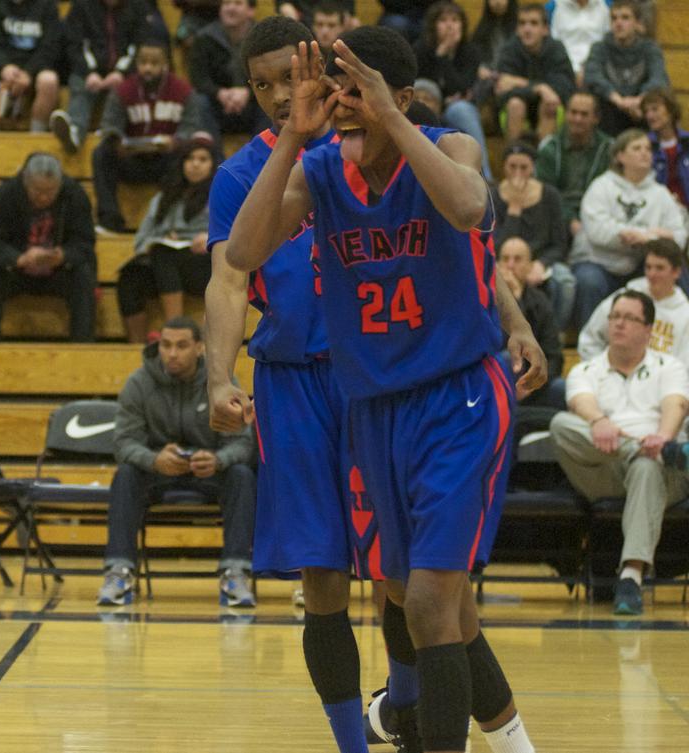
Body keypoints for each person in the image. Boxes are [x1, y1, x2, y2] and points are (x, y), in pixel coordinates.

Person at [225, 28, 546, 753]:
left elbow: (469, 214)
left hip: (460, 397)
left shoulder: (449, 148)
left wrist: (393, 118)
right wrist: (289, 140)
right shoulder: (319, 170)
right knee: (423, 599)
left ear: (399, 97)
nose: (343, 106)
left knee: (431, 599)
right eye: (335, 91)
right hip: (374, 406)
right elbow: (243, 253)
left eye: (356, 90)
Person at [205, 17, 418, 753]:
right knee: (322, 575)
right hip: (293, 381)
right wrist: (218, 374)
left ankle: (406, 707)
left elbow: (462, 232)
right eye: (258, 84)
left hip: (377, 377)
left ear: (318, 69)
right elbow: (228, 279)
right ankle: (350, 744)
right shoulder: (241, 175)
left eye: (283, 78)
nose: (272, 95)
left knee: (401, 572)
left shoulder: (371, 145)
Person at [97, 317, 257, 606]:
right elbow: (123, 442)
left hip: (209, 469)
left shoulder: (222, 383)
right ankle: (118, 571)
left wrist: (218, 460)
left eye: (181, 346)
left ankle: (235, 572)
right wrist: (154, 459)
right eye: (166, 345)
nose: (172, 353)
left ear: (199, 348)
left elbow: (243, 441)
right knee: (126, 475)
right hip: (159, 469)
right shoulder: (139, 383)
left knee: (242, 475)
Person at [551, 289, 689, 615]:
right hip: (604, 467)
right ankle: (656, 451)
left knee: (647, 467)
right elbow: (579, 402)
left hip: (660, 472)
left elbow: (677, 404)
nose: (619, 324)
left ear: (649, 329)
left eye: (629, 318)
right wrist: (599, 421)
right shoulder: (586, 369)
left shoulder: (669, 366)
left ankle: (631, 576)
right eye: (615, 317)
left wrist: (664, 437)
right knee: (560, 424)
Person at [569, 128, 688, 329]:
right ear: (620, 156)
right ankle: (589, 345)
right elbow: (598, 231)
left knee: (676, 273)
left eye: (648, 149)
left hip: (639, 265)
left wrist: (642, 238)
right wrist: (651, 236)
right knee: (589, 281)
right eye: (637, 148)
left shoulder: (660, 193)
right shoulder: (602, 186)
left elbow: (679, 237)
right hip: (598, 262)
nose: (645, 153)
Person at [0, 152, 97, 342]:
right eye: (37, 191)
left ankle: (83, 345)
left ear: (60, 184)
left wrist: (62, 256)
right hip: (16, 270)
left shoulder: (75, 195)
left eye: (50, 192)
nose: (43, 197)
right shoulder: (6, 194)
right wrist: (18, 258)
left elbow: (85, 242)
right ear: (25, 182)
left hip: (59, 270)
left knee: (84, 273)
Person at [92, 38, 210, 233]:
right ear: (136, 64)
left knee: (191, 156)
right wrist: (117, 140)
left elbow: (192, 127)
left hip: (167, 161)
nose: (147, 68)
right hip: (131, 159)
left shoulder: (183, 91)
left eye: (154, 63)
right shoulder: (123, 91)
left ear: (165, 64)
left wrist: (175, 141)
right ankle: (109, 219)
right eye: (143, 63)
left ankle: (170, 222)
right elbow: (110, 125)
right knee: (101, 153)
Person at [118, 140, 218, 342]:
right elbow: (141, 240)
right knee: (130, 275)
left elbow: (236, 235)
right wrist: (158, 240)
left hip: (206, 265)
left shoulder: (221, 195)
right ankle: (137, 345)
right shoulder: (164, 197)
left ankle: (176, 332)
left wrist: (211, 239)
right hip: (166, 263)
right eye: (190, 158)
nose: (195, 164)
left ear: (213, 164)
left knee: (164, 256)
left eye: (202, 159)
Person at [49, 0, 163, 153]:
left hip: (125, 72)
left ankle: (110, 137)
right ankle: (74, 132)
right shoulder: (81, 6)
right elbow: (74, 44)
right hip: (89, 72)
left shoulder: (138, 6)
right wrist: (89, 72)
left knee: (126, 88)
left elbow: (140, 45)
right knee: (80, 84)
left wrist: (121, 72)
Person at [491, 141, 573, 329]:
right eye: (512, 166)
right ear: (504, 167)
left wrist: (541, 263)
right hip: (505, 260)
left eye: (523, 167)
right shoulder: (494, 196)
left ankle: (553, 334)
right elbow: (496, 245)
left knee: (565, 282)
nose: (517, 173)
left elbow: (560, 244)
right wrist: (514, 209)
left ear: (533, 168)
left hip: (539, 260)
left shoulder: (550, 195)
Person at [413, 1, 493, 179]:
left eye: (455, 20)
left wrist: (443, 58)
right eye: (443, 20)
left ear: (463, 25)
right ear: (433, 25)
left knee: (461, 109)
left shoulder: (471, 51)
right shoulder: (421, 49)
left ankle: (485, 178)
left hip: (459, 111)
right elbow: (421, 86)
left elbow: (460, 86)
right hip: (428, 108)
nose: (449, 25)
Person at [578, 239, 689, 367]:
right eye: (648, 267)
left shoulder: (685, 314)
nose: (652, 274)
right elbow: (589, 339)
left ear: (676, 272)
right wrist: (601, 372)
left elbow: (684, 367)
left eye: (659, 268)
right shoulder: (625, 298)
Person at [0, 0, 62, 132]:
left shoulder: (48, 5)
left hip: (36, 64)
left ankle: (36, 136)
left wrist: (29, 72)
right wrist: (5, 66)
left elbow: (50, 46)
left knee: (49, 81)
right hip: (4, 63)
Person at [583, 0, 669, 136]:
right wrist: (619, 101)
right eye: (614, 18)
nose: (618, 23)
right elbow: (593, 77)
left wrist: (639, 101)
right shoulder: (599, 47)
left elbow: (658, 78)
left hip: (641, 109)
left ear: (637, 23)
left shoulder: (650, 48)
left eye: (625, 18)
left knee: (660, 100)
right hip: (609, 110)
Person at [535, 89, 612, 240]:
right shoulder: (549, 148)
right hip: (556, 218)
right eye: (573, 112)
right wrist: (570, 219)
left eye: (584, 114)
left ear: (596, 118)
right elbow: (546, 193)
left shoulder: (608, 149)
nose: (577, 119)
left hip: (598, 217)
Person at [498, 237, 565, 408]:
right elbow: (497, 346)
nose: (510, 265)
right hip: (495, 383)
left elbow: (554, 355)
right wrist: (513, 299)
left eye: (517, 259)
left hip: (532, 387)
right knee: (507, 358)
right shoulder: (483, 298)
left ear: (529, 266)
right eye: (505, 259)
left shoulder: (541, 302)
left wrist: (532, 386)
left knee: (561, 388)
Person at [495, 3, 575, 142]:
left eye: (533, 23)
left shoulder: (556, 49)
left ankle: (544, 160)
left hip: (550, 109)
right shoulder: (509, 50)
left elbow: (565, 88)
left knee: (549, 103)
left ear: (545, 29)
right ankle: (515, 155)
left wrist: (521, 83)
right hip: (517, 111)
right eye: (522, 23)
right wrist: (539, 88)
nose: (527, 29)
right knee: (515, 104)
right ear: (517, 29)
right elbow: (502, 91)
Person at [188, 0, 266, 138]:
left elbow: (270, 77)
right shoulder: (204, 38)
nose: (230, 8)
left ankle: (264, 157)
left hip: (253, 105)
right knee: (198, 100)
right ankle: (213, 158)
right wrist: (220, 93)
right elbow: (199, 79)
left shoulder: (264, 39)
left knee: (271, 98)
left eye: (237, 3)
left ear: (251, 11)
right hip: (218, 106)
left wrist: (248, 92)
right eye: (226, 3)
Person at [642, 88, 689, 207]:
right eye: (646, 111)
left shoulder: (687, 141)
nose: (650, 116)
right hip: (657, 211)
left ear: (671, 110)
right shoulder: (644, 145)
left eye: (655, 109)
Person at [549, 0, 610, 83]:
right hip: (562, 70)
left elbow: (609, 42)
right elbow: (550, 45)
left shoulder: (606, 5)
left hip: (598, 70)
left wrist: (589, 70)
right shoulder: (553, 6)